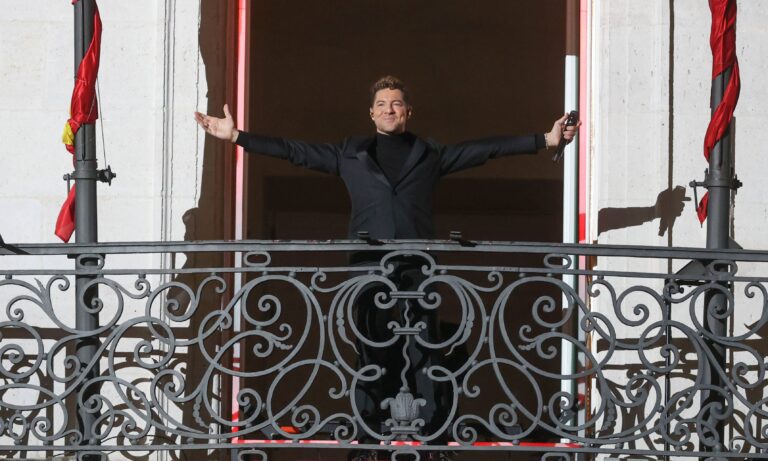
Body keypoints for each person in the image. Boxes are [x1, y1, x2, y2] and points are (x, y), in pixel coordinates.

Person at [194, 76, 579, 457]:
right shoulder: (350, 154)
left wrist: (544, 140)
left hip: (417, 265)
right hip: (367, 268)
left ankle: (432, 437)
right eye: (381, 104)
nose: (388, 109)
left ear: (408, 111)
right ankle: (366, 437)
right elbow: (296, 151)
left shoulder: (429, 154)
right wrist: (237, 136)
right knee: (370, 349)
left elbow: (483, 150)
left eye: (395, 103)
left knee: (425, 349)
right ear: (371, 114)